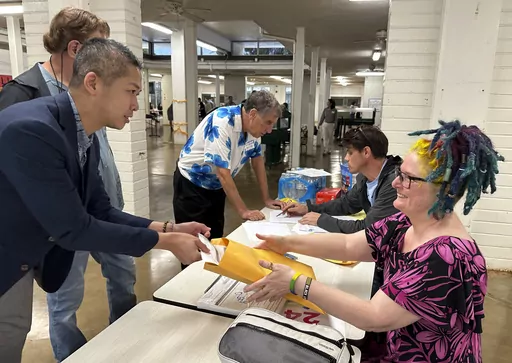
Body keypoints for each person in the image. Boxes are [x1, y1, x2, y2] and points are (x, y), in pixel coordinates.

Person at [0, 38, 210, 363]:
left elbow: (100, 209)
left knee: (12, 331)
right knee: (6, 337)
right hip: (8, 257)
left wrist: (170, 226)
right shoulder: (33, 130)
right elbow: (75, 229)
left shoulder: (84, 135)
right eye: (131, 92)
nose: (137, 106)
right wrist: (166, 241)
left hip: (21, 254)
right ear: (93, 82)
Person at [245, 120, 502, 363]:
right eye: (400, 174)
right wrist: (286, 243)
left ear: (443, 190)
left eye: (408, 178)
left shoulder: (448, 255)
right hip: (397, 347)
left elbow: (374, 316)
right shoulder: (406, 223)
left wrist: (295, 283)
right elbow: (350, 246)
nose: (396, 182)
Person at [0, 8, 138, 362]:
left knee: (123, 272)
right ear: (76, 48)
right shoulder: (25, 95)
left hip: (96, 205)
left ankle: (129, 341)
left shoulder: (89, 95)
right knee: (61, 298)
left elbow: (89, 154)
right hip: (58, 221)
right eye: (99, 45)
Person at [173, 90, 285, 267]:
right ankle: (192, 284)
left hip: (215, 187)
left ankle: (211, 281)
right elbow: (223, 173)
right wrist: (243, 211)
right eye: (268, 123)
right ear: (253, 114)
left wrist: (267, 198)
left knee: (215, 237)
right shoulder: (223, 122)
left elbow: (257, 161)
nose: (270, 130)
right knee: (194, 243)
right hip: (191, 185)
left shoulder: (253, 130)